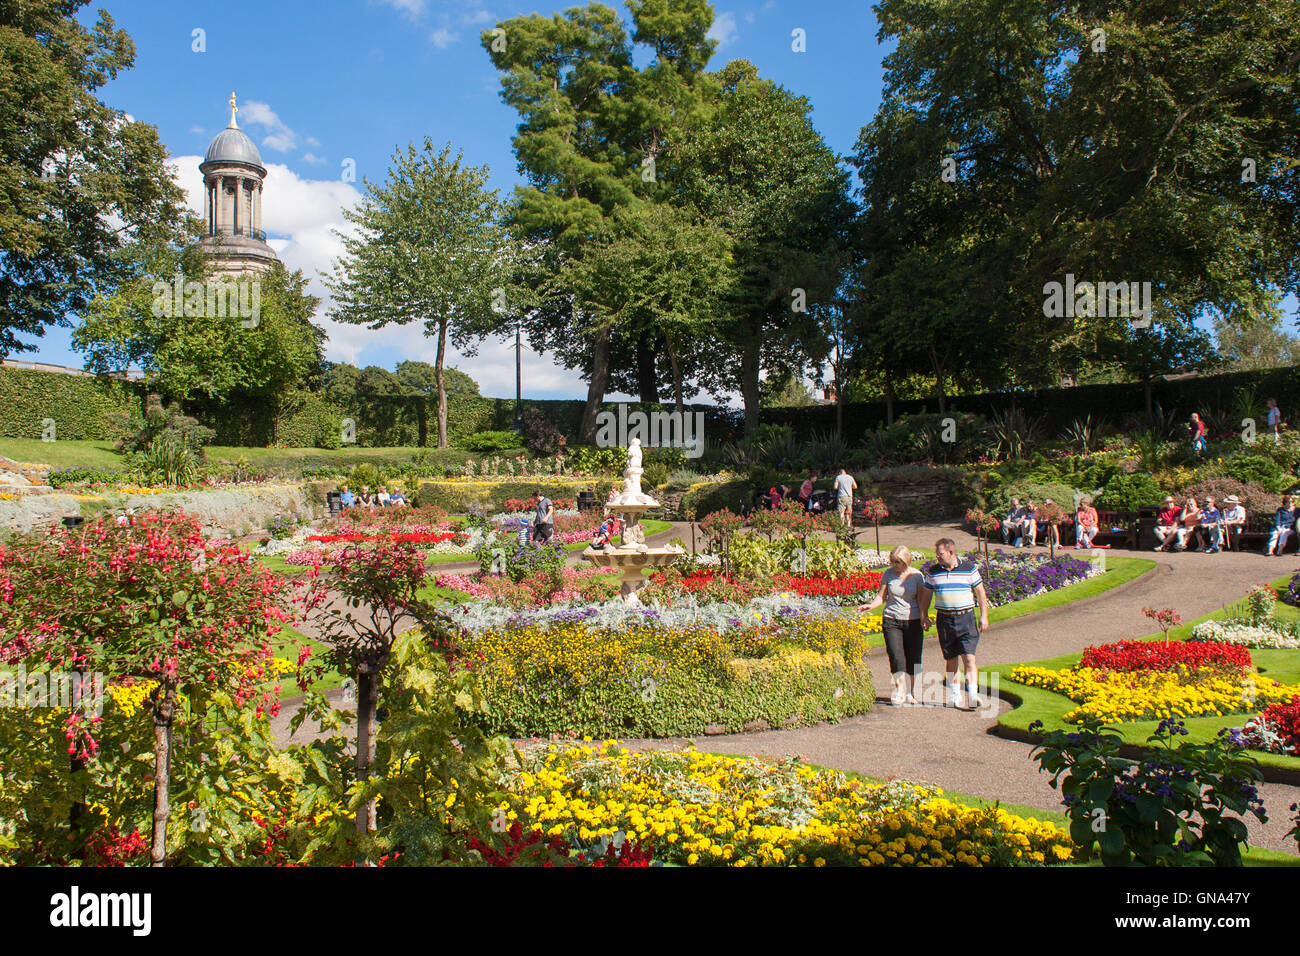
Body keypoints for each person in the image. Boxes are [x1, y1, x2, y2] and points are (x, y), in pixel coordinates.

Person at [921, 538, 991, 710]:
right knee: (951, 658)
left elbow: (980, 592)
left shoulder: (968, 569)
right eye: (937, 552)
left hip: (966, 618)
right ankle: (955, 695)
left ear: (951, 552)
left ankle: (973, 695)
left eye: (940, 553)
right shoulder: (934, 571)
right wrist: (924, 615)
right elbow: (926, 594)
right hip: (945, 619)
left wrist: (984, 616)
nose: (937, 556)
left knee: (969, 657)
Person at [861, 546, 928, 706]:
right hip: (891, 619)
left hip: (912, 619)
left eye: (898, 562)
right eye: (893, 562)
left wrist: (924, 617)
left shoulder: (917, 576)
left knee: (913, 657)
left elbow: (922, 600)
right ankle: (900, 689)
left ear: (906, 561)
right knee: (896, 655)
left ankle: (911, 692)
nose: (895, 565)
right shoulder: (888, 574)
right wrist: (870, 606)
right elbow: (881, 596)